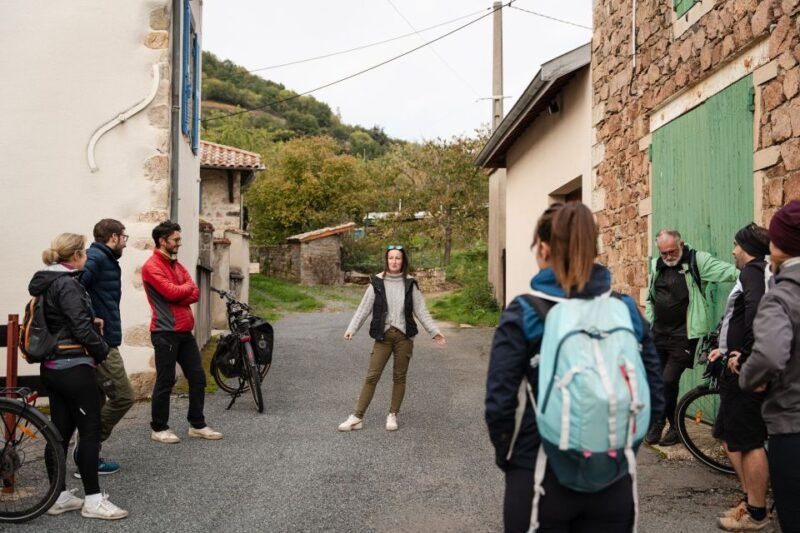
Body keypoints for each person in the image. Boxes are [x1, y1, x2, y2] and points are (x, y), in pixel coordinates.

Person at [485, 203, 664, 533]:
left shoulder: (526, 311)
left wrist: (507, 458)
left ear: (543, 248)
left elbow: (499, 402)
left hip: (540, 470)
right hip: (614, 474)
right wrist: (623, 448)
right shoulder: (625, 309)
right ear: (594, 248)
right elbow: (654, 392)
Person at [30, 233, 128, 519]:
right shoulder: (67, 285)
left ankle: (58, 495)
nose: (86, 255)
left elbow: (62, 321)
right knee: (89, 432)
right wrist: (102, 350)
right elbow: (81, 328)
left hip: (52, 367)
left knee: (58, 432)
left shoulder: (46, 282)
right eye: (83, 251)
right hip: (73, 366)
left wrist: (87, 322)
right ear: (75, 257)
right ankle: (94, 501)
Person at [644, 229, 738, 446]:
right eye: (663, 253)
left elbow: (730, 272)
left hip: (683, 335)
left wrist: (755, 275)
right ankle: (662, 423)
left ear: (681, 244)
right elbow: (651, 297)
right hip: (658, 332)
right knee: (657, 381)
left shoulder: (698, 260)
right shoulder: (656, 264)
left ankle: (673, 426)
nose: (668, 257)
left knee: (668, 380)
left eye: (671, 251)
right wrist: (649, 325)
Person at [338, 245, 446, 432]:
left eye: (398, 258)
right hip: (383, 337)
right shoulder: (377, 283)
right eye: (391, 258)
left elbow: (421, 310)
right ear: (386, 260)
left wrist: (434, 331)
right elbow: (364, 308)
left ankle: (392, 414)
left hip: (404, 338)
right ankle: (357, 417)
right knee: (372, 376)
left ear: (403, 261)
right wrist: (352, 328)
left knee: (399, 377)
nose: (394, 261)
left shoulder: (410, 283)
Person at [740, 200, 800, 533]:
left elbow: (769, 356)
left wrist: (751, 377)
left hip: (793, 427)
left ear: (779, 247)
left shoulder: (782, 295)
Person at [707, 223, 771, 531]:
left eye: (735, 245)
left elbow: (758, 314)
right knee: (730, 436)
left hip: (743, 370)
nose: (732, 250)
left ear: (746, 248)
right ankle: (751, 499)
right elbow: (743, 316)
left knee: (748, 440)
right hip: (733, 364)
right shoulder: (756, 273)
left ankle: (757, 512)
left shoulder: (752, 272)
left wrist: (744, 357)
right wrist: (725, 349)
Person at [142, 221, 222, 443]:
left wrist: (179, 291)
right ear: (162, 240)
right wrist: (179, 291)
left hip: (185, 331)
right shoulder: (152, 266)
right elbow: (170, 292)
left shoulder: (176, 265)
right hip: (164, 331)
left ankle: (197, 425)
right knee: (166, 381)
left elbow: (193, 292)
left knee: (198, 378)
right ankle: (159, 428)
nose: (179, 243)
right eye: (176, 239)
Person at [77, 219, 135, 477]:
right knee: (124, 396)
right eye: (124, 237)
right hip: (101, 343)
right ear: (113, 237)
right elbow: (76, 286)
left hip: (104, 339)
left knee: (98, 401)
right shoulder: (96, 258)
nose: (125, 241)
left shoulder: (105, 259)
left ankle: (89, 458)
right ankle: (86, 452)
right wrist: (91, 318)